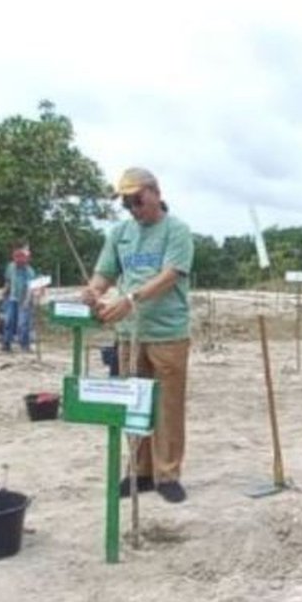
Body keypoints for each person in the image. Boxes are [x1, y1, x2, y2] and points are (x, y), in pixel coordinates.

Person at [81, 168, 195, 504]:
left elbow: (170, 276)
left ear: (155, 193)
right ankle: (140, 471)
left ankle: (167, 473)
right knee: (133, 403)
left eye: (138, 200)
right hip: (128, 336)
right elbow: (105, 273)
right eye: (127, 203)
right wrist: (92, 291)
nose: (133, 208)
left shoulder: (177, 231)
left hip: (167, 333)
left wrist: (131, 300)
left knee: (167, 406)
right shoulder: (120, 233)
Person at [0, 244, 37, 352]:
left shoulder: (29, 272)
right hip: (12, 299)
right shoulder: (10, 267)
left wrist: (26, 302)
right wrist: (3, 294)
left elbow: (30, 289)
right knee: (8, 321)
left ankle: (25, 346)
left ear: (26, 259)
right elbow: (8, 282)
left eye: (21, 257)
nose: (19, 260)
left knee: (23, 324)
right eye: (17, 257)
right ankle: (6, 344)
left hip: (24, 299)